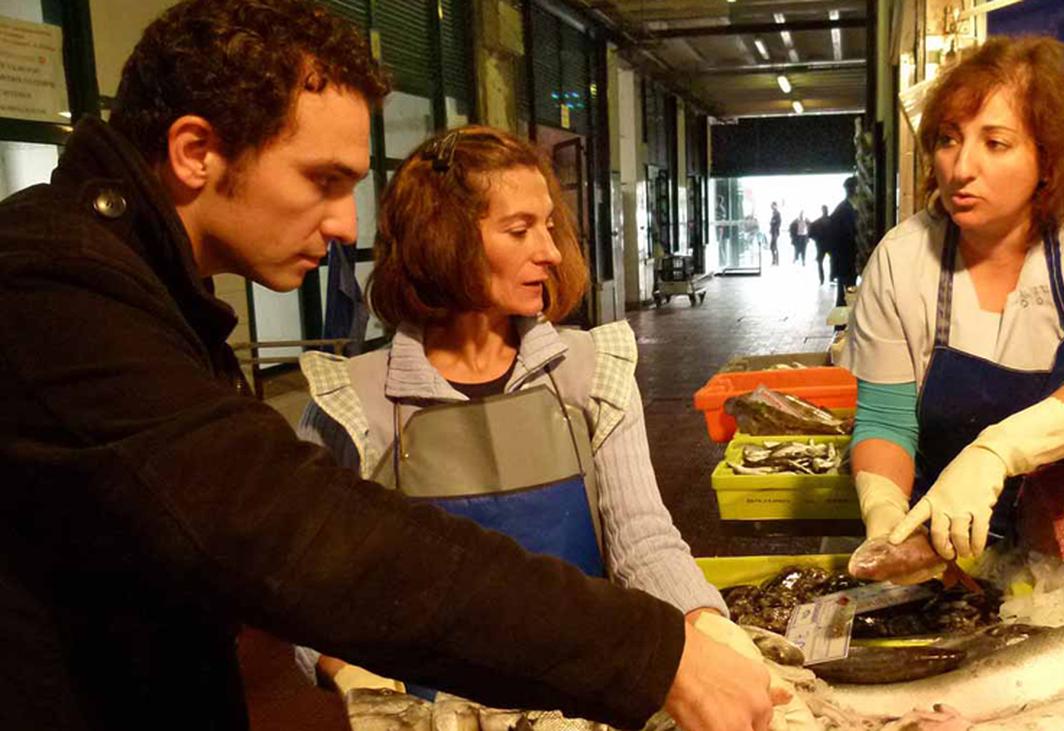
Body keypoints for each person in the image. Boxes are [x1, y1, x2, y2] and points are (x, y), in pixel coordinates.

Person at [0, 2, 776, 729]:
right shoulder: (52, 290)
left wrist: (693, 627)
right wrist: (648, 652)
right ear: (196, 152)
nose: (346, 224)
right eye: (323, 180)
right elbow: (294, 533)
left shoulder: (147, 290)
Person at [291, 126, 812, 729]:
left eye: (548, 225)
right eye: (519, 231)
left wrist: (705, 626)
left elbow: (642, 539)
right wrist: (348, 669)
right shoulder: (351, 404)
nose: (552, 251)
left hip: (585, 707)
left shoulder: (591, 372)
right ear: (442, 238)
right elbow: (307, 587)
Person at [843, 36, 1064, 567]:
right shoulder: (902, 258)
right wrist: (885, 514)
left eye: (995, 143)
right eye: (948, 139)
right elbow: (886, 420)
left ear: (1047, 156)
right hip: (959, 530)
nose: (961, 167)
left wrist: (996, 451)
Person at [827, 179, 860, 306]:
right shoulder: (845, 210)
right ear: (855, 189)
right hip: (846, 261)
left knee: (845, 295)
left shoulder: (844, 208)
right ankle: (843, 318)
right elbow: (849, 236)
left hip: (844, 261)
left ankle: (843, 317)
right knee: (846, 296)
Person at [810, 204, 832, 285]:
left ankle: (824, 278)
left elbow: (811, 234)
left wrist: (816, 239)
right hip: (827, 244)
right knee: (829, 260)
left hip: (822, 245)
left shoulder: (817, 222)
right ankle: (828, 277)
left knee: (821, 262)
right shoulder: (831, 221)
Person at [768, 201, 782, 266]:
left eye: (773, 205)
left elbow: (779, 223)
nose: (772, 207)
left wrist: (773, 223)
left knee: (774, 246)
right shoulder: (774, 213)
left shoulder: (777, 213)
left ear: (775, 206)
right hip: (773, 232)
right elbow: (773, 222)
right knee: (772, 246)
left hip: (775, 232)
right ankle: (775, 260)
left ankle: (776, 261)